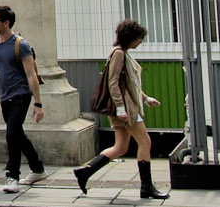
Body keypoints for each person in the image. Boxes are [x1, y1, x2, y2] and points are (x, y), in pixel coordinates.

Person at [72, 19, 168, 200]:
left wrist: (146, 99)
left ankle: (84, 172)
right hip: (125, 109)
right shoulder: (119, 54)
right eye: (139, 38)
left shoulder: (122, 53)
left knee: (121, 147)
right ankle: (146, 187)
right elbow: (113, 83)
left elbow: (129, 84)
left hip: (123, 108)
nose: (140, 41)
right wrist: (121, 108)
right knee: (145, 142)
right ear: (130, 37)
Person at [0, 4, 44, 192]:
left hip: (21, 94)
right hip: (4, 94)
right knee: (17, 134)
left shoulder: (21, 45)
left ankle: (12, 177)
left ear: (6, 23)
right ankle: (38, 168)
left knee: (11, 134)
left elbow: (31, 75)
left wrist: (38, 104)